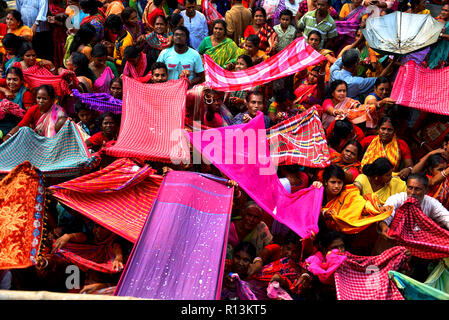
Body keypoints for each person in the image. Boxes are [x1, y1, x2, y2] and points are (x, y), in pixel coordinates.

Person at [317, 164, 393, 235]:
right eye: (333, 182)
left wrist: (378, 208)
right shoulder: (318, 193)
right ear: (326, 182)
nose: (336, 186)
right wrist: (323, 212)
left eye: (339, 182)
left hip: (342, 233)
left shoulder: (348, 192)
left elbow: (361, 203)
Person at [379, 173, 449, 237]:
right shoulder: (397, 199)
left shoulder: (431, 203)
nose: (412, 192)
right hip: (396, 238)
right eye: (410, 188)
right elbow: (387, 212)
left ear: (426, 191)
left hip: (419, 241)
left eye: (417, 189)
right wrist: (384, 227)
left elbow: (445, 217)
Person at [329, 48, 395, 100]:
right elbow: (379, 80)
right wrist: (392, 63)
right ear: (356, 64)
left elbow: (342, 59)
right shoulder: (357, 82)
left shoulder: (333, 71)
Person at [427, 3, 449, 69]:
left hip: (443, 51)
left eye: (446, 11)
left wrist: (441, 35)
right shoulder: (438, 19)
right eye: (442, 10)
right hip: (433, 49)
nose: (443, 12)